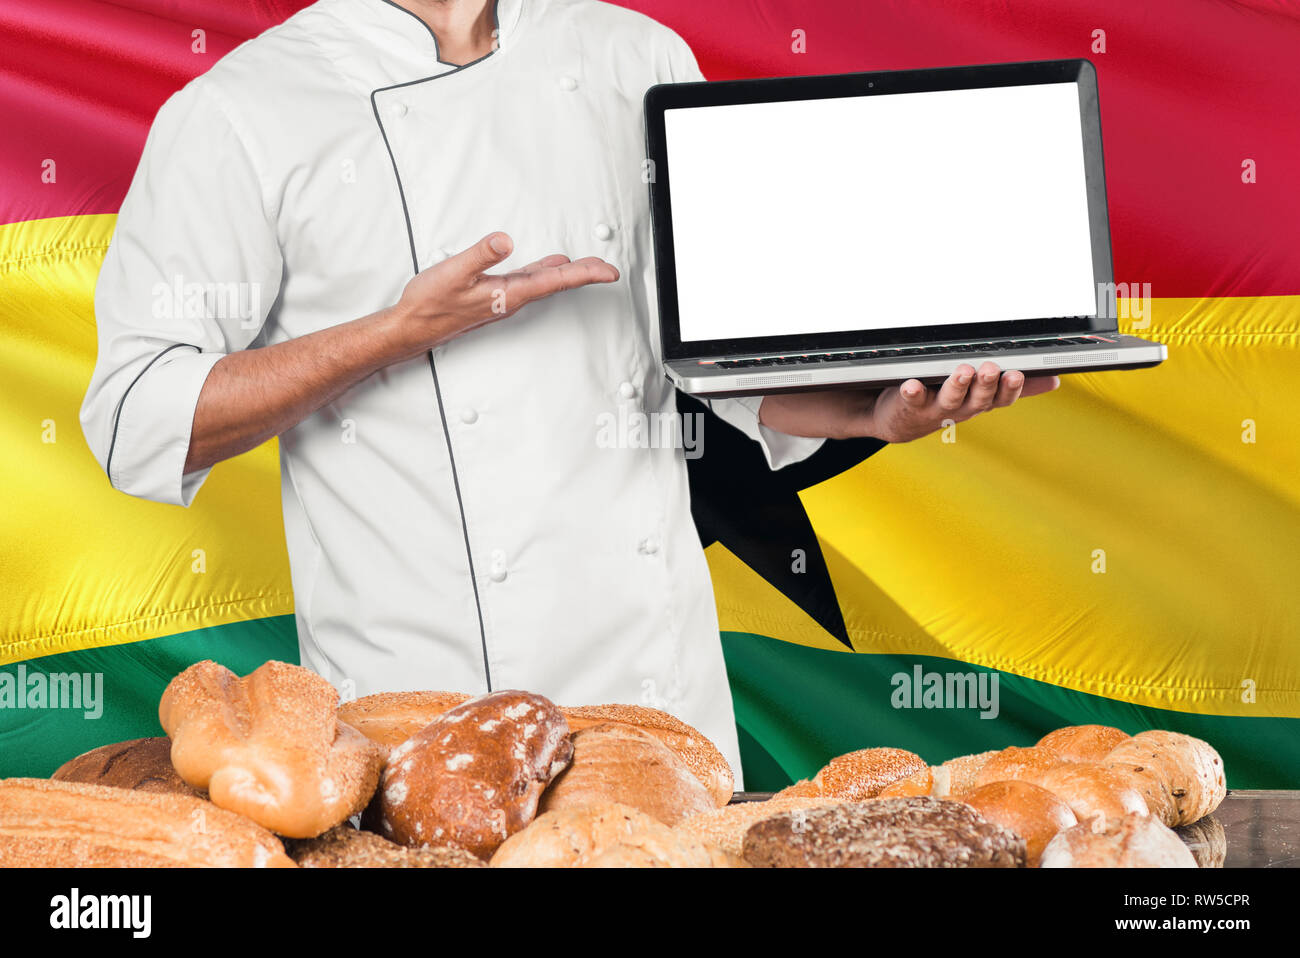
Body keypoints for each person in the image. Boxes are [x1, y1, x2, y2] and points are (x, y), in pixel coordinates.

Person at [81, 0, 1057, 779]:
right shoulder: (243, 112)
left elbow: (703, 366)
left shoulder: (636, 54)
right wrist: (395, 333)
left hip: (660, 709)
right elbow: (138, 418)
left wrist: (876, 413)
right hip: (416, 725)